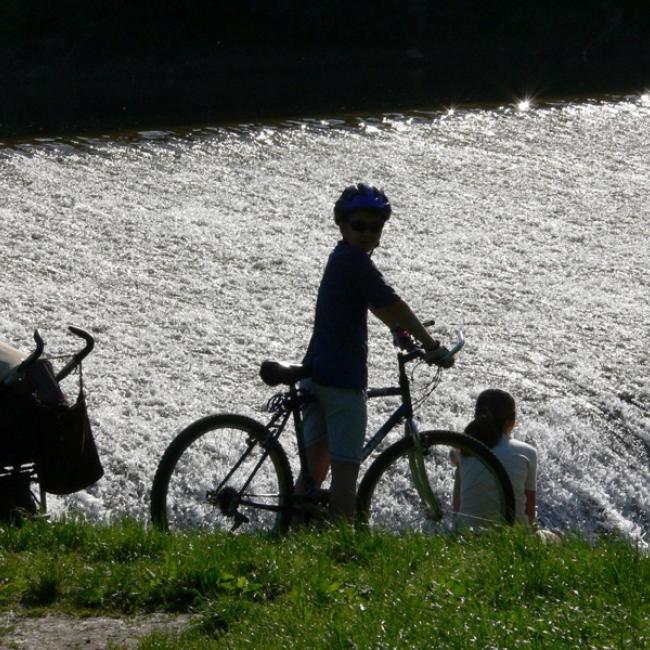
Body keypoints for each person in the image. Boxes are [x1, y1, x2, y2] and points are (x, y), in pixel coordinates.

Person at [295, 182, 451, 522]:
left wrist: (398, 330)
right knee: (346, 473)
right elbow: (392, 302)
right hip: (343, 381)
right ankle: (340, 545)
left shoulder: (341, 257)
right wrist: (431, 345)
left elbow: (375, 305)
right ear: (342, 225)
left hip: (316, 372)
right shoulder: (356, 262)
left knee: (313, 473)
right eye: (359, 225)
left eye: (374, 226)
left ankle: (294, 531)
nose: (367, 233)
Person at [453, 388, 537, 528]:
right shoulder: (528, 453)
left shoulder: (464, 451)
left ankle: (460, 531)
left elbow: (458, 508)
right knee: (555, 537)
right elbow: (530, 515)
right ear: (511, 420)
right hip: (514, 538)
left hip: (467, 536)